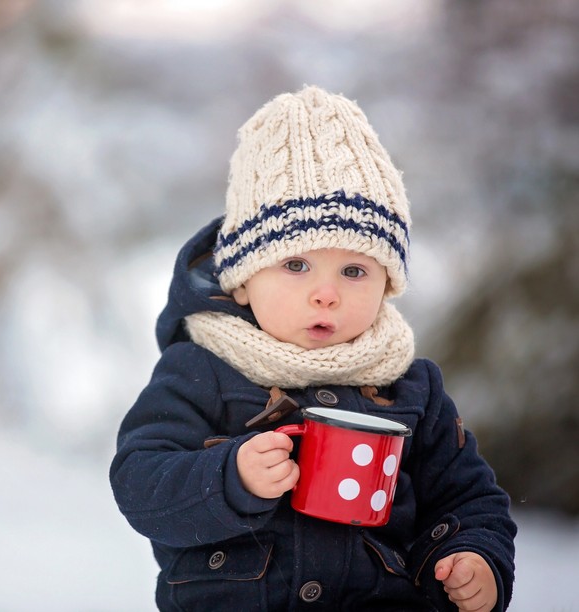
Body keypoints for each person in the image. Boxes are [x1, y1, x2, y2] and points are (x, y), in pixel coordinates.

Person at [109, 85, 516, 611]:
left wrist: (474, 555)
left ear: (387, 285)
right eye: (296, 265)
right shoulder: (201, 371)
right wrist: (229, 479)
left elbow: (470, 498)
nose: (326, 292)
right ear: (241, 282)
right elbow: (141, 484)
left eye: (354, 270)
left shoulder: (413, 389)